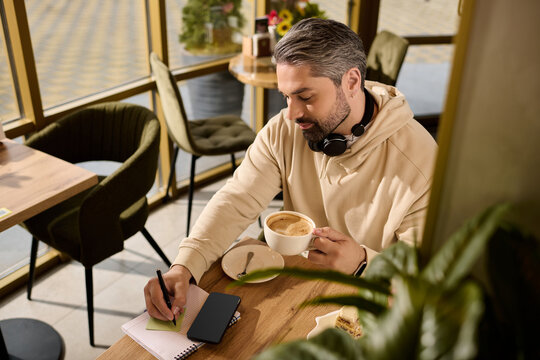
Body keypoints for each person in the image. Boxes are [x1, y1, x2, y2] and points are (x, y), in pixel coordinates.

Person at [144, 18, 438, 323]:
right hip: (295, 295)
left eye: (306, 97)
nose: (292, 113)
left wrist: (363, 263)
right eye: (286, 96)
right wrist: (184, 265)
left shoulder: (421, 163)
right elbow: (235, 201)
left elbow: (426, 281)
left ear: (351, 82)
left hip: (366, 310)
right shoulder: (283, 131)